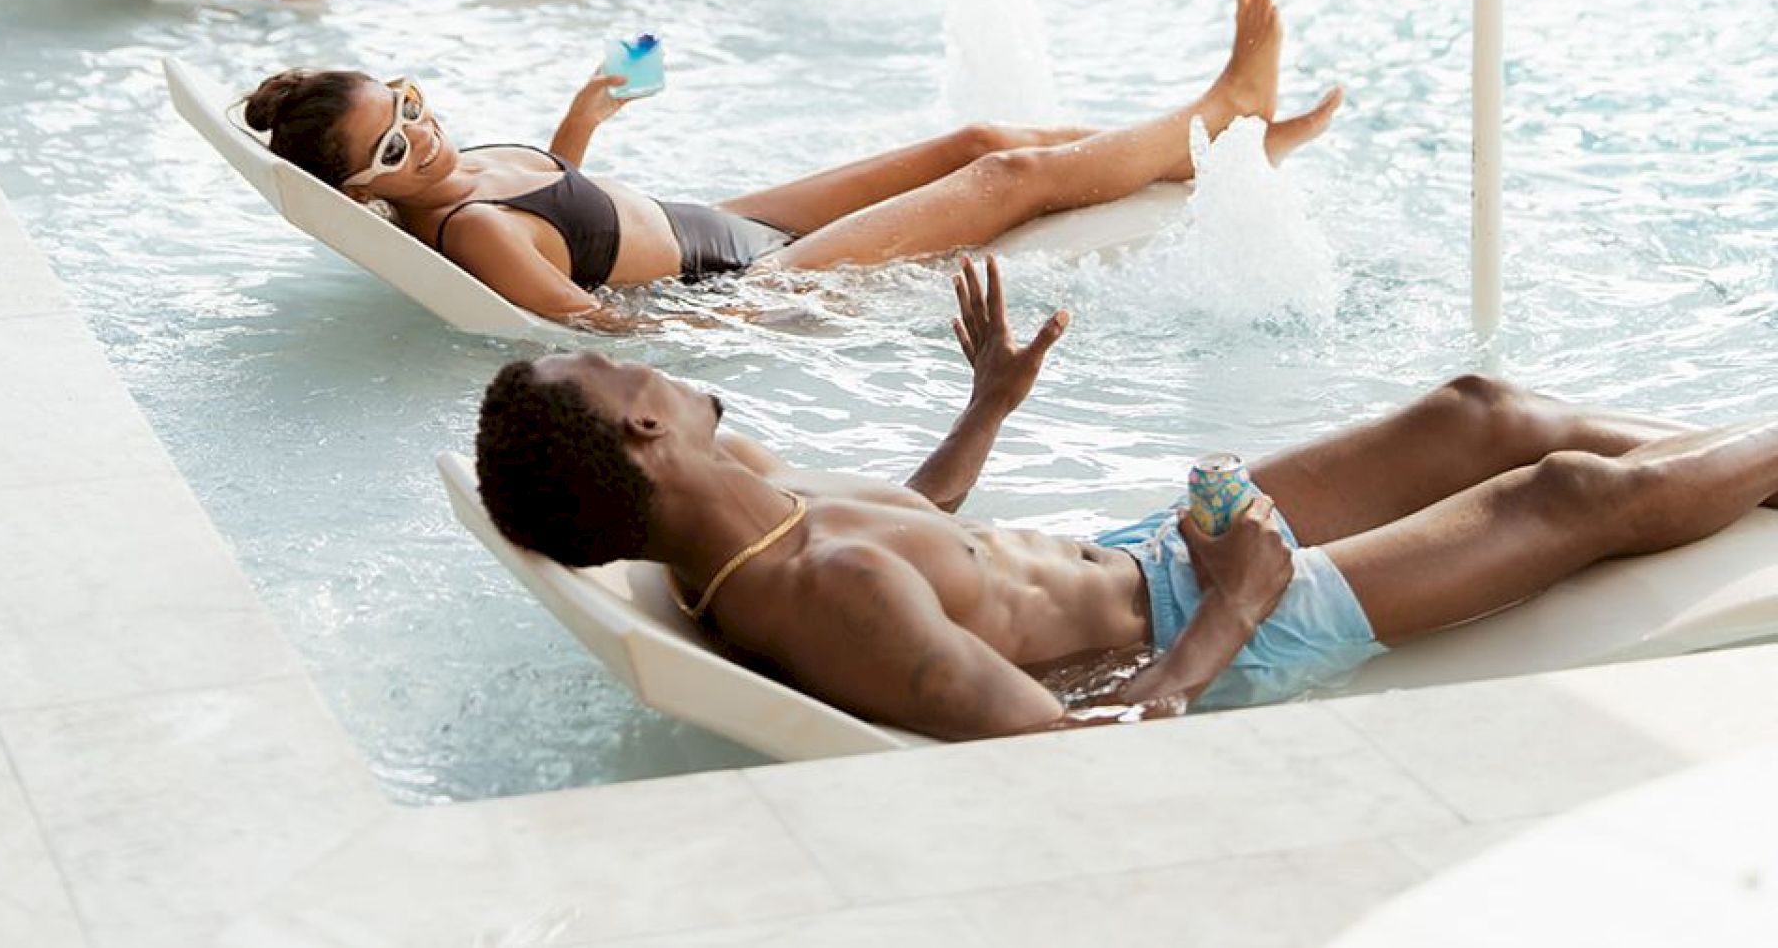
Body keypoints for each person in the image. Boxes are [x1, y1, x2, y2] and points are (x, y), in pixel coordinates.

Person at [474, 264, 1778, 733]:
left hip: (1142, 557)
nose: (650, 352)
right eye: (622, 361)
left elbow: (922, 532)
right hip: (1209, 629)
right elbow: (1066, 748)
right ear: (642, 425)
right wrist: (1239, 602)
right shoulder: (826, 596)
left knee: (1478, 409)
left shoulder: (749, 504)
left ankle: (1749, 459)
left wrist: (984, 404)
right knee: (1561, 491)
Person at [246, 0, 1342, 321]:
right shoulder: (472, 228)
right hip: (738, 271)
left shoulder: (467, 171)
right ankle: (1228, 110)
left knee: (977, 133)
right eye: (394, 145)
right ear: (364, 189)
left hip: (716, 215)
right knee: (998, 180)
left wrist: (583, 118)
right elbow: (596, 323)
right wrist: (778, 313)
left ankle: (1208, 142)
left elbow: (558, 194)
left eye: (409, 99)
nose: (422, 131)